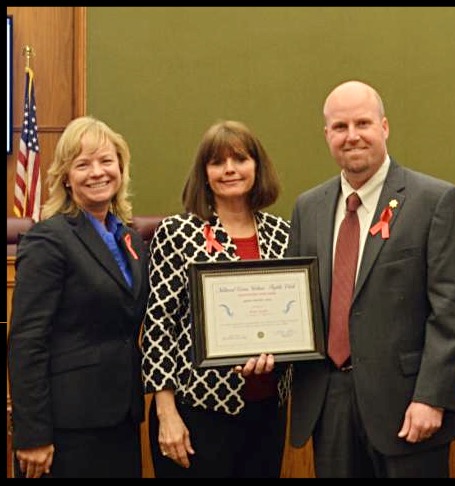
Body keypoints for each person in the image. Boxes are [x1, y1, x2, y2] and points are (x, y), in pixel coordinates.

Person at [286, 80, 455, 478]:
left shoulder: (434, 201)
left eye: (363, 123)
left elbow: (452, 312)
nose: (352, 136)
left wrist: (431, 397)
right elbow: (296, 307)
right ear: (327, 135)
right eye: (340, 127)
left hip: (408, 405)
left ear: (384, 127)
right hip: (329, 403)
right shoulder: (308, 208)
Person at [141, 120, 293, 478]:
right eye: (217, 162)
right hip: (197, 412)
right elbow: (159, 327)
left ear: (257, 166)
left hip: (267, 412)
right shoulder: (178, 233)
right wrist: (166, 412)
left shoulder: (283, 234)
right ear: (204, 173)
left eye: (240, 159)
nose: (229, 170)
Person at [7, 116, 150, 478]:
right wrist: (32, 434)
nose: (97, 172)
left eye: (106, 161)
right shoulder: (48, 239)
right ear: (66, 177)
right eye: (83, 164)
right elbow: (27, 341)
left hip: (122, 420)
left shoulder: (128, 238)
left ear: (121, 168)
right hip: (66, 428)